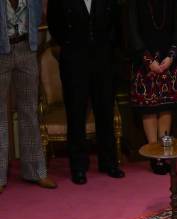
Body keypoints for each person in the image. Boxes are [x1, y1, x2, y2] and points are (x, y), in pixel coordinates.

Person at [47, 0, 124, 185]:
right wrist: (71, 43)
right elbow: (55, 24)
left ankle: (109, 162)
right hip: (74, 60)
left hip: (104, 59)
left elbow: (116, 23)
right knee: (76, 114)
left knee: (105, 110)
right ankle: (79, 167)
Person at [0, 0, 56, 193]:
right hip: (1, 53)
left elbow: (40, 13)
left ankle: (36, 171)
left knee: (30, 111)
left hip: (26, 48)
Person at [129, 0, 177, 175]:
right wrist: (147, 60)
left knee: (166, 106)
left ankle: (164, 152)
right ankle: (155, 155)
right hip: (144, 60)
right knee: (149, 108)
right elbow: (132, 31)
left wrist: (171, 57)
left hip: (169, 60)